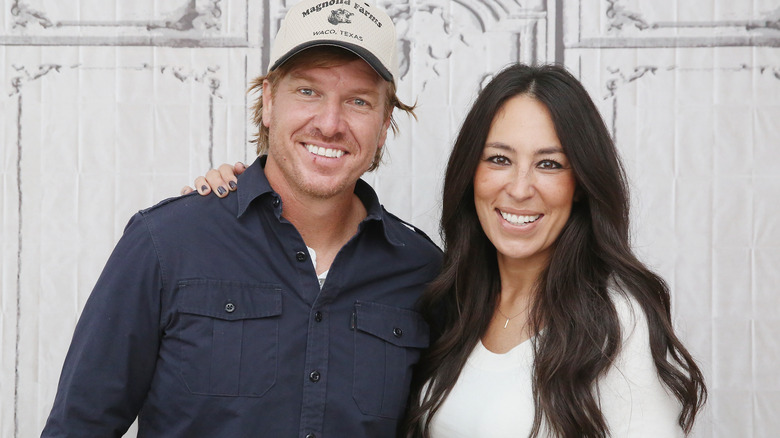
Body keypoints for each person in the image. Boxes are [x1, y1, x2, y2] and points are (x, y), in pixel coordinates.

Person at [193, 63, 708, 437]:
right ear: (471, 174)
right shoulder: (448, 296)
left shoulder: (613, 320)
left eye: (550, 164)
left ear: (582, 185)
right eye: (499, 159)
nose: (520, 188)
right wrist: (238, 198)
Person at [41, 0, 441, 437]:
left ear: (384, 124)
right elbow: (79, 427)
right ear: (269, 101)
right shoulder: (167, 242)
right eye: (307, 91)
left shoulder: (425, 272)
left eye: (359, 101)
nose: (329, 124)